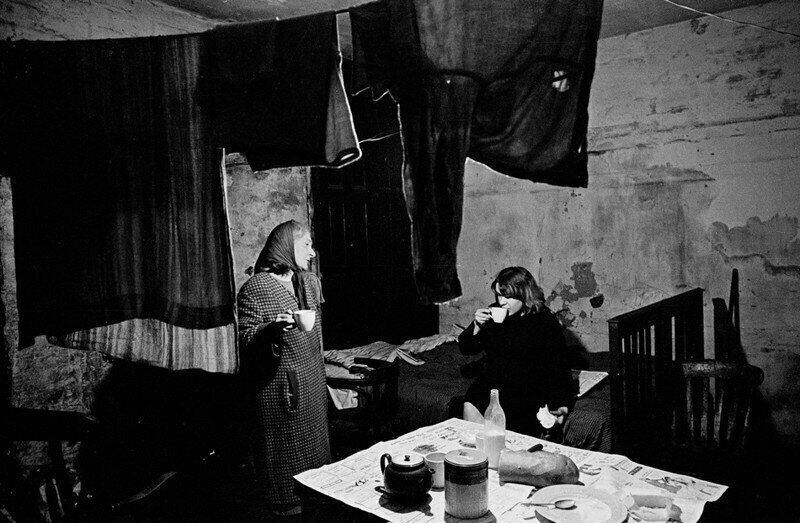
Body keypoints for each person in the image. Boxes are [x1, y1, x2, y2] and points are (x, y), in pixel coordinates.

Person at [237, 220, 329, 516]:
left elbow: (317, 331)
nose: (312, 252)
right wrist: (272, 329)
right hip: (281, 388)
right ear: (285, 247)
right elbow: (247, 339)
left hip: (312, 382)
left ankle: (316, 503)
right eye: (306, 246)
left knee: (316, 461)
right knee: (285, 461)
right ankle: (284, 509)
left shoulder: (308, 282)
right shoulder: (255, 288)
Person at [457, 266, 574, 438]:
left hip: (525, 388)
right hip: (493, 384)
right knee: (471, 401)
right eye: (498, 295)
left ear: (524, 294)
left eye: (508, 296)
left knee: (511, 421)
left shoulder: (545, 322)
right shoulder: (494, 312)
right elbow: (466, 348)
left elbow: (559, 367)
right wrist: (476, 326)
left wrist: (562, 405)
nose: (501, 301)